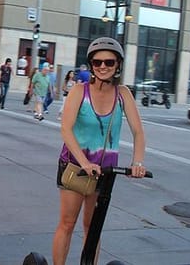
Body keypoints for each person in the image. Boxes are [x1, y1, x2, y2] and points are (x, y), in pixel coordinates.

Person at [52, 37, 146, 265]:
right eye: (97, 62)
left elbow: (138, 132)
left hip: (105, 171)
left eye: (109, 62)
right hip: (76, 167)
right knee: (67, 223)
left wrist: (138, 163)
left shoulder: (123, 94)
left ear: (118, 65)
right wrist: (84, 162)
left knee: (92, 228)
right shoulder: (79, 91)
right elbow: (66, 129)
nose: (103, 66)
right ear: (91, 65)